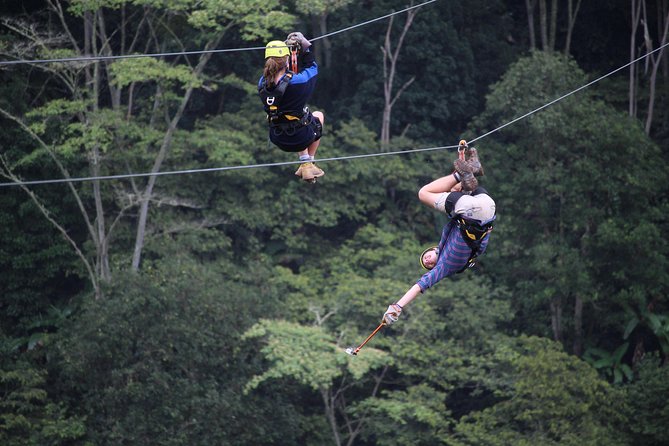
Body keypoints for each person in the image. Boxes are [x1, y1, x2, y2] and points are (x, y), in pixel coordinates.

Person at [382, 145, 496, 325]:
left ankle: (470, 171)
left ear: (434, 248)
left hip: (487, 207)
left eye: (425, 257)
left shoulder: (467, 252)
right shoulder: (445, 266)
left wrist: (462, 160)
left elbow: (483, 239)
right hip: (478, 210)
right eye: (427, 264)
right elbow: (422, 284)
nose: (426, 261)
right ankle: (466, 173)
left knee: (456, 192)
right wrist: (397, 307)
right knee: (423, 193)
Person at [258, 32, 325, 182]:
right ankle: (309, 163)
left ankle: (305, 161)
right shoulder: (298, 82)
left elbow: (276, 75)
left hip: (277, 136)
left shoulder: (262, 83)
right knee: (317, 116)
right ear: (286, 59)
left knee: (295, 117)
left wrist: (283, 49)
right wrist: (305, 51)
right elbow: (312, 68)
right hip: (300, 137)